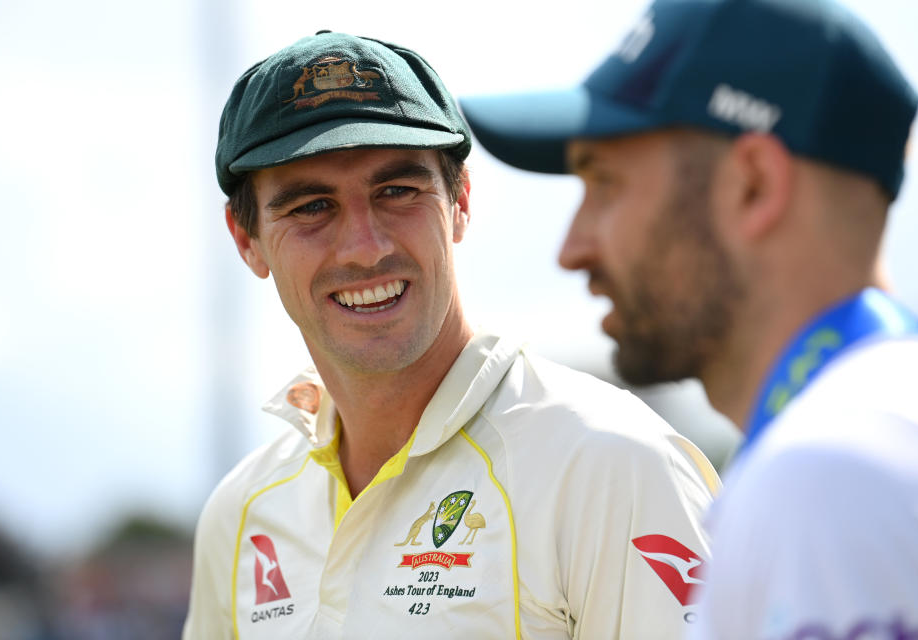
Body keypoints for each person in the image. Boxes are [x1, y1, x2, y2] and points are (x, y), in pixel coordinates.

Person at [182, 31, 720, 639]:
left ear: (460, 199)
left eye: (397, 191)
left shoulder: (611, 464)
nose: (366, 248)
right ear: (246, 238)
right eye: (311, 207)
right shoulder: (242, 512)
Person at [459, 0, 918, 637]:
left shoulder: (835, 473)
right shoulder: (899, 423)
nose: (572, 247)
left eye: (604, 182)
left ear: (752, 186)